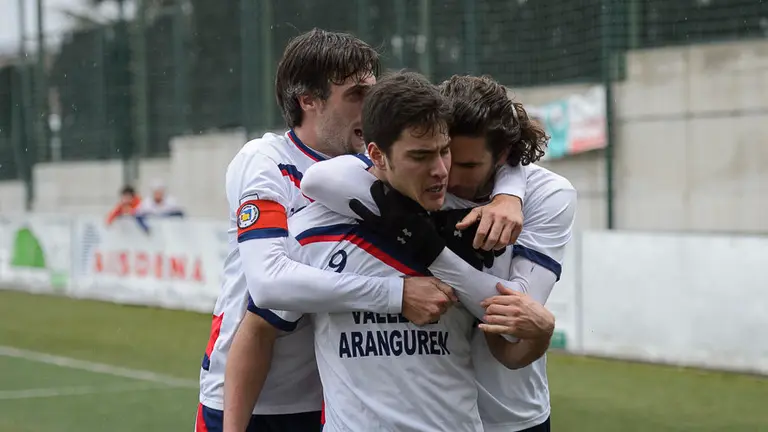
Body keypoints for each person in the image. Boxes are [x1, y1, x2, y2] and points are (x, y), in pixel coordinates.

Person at [199, 30, 526, 432]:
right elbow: (267, 285)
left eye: (373, 91)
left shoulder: (377, 167)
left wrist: (510, 190)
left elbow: (467, 140)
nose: (371, 106)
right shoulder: (266, 162)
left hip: (321, 396)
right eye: (356, 94)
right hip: (248, 398)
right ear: (309, 101)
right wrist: (396, 294)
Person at [301, 74, 578, 432]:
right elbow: (318, 180)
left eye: (465, 165)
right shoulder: (422, 178)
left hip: (510, 413)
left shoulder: (549, 195)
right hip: (442, 412)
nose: (445, 174)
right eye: (440, 153)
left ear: (504, 156)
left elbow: (513, 320)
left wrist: (436, 249)